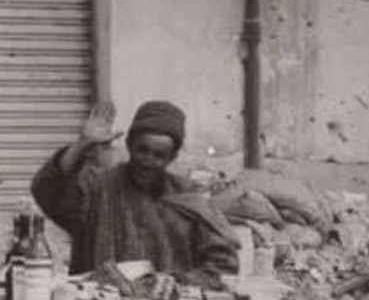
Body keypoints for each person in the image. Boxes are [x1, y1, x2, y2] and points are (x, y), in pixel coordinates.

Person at [32, 101, 239, 285]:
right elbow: (48, 192)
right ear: (129, 145)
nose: (148, 161)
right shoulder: (98, 188)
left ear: (172, 157)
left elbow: (223, 266)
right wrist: (82, 144)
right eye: (143, 150)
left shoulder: (189, 199)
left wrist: (175, 283)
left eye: (159, 155)